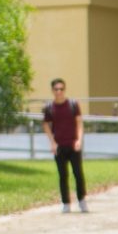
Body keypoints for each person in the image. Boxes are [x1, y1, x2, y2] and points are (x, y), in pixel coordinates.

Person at [42, 78, 88, 214]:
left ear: (64, 90)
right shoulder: (49, 108)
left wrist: (79, 140)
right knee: (63, 175)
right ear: (52, 91)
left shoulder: (73, 105)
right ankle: (66, 203)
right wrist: (52, 142)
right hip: (59, 146)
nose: (59, 92)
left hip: (73, 145)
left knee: (78, 173)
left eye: (61, 89)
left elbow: (79, 123)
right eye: (56, 89)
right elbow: (45, 125)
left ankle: (82, 201)